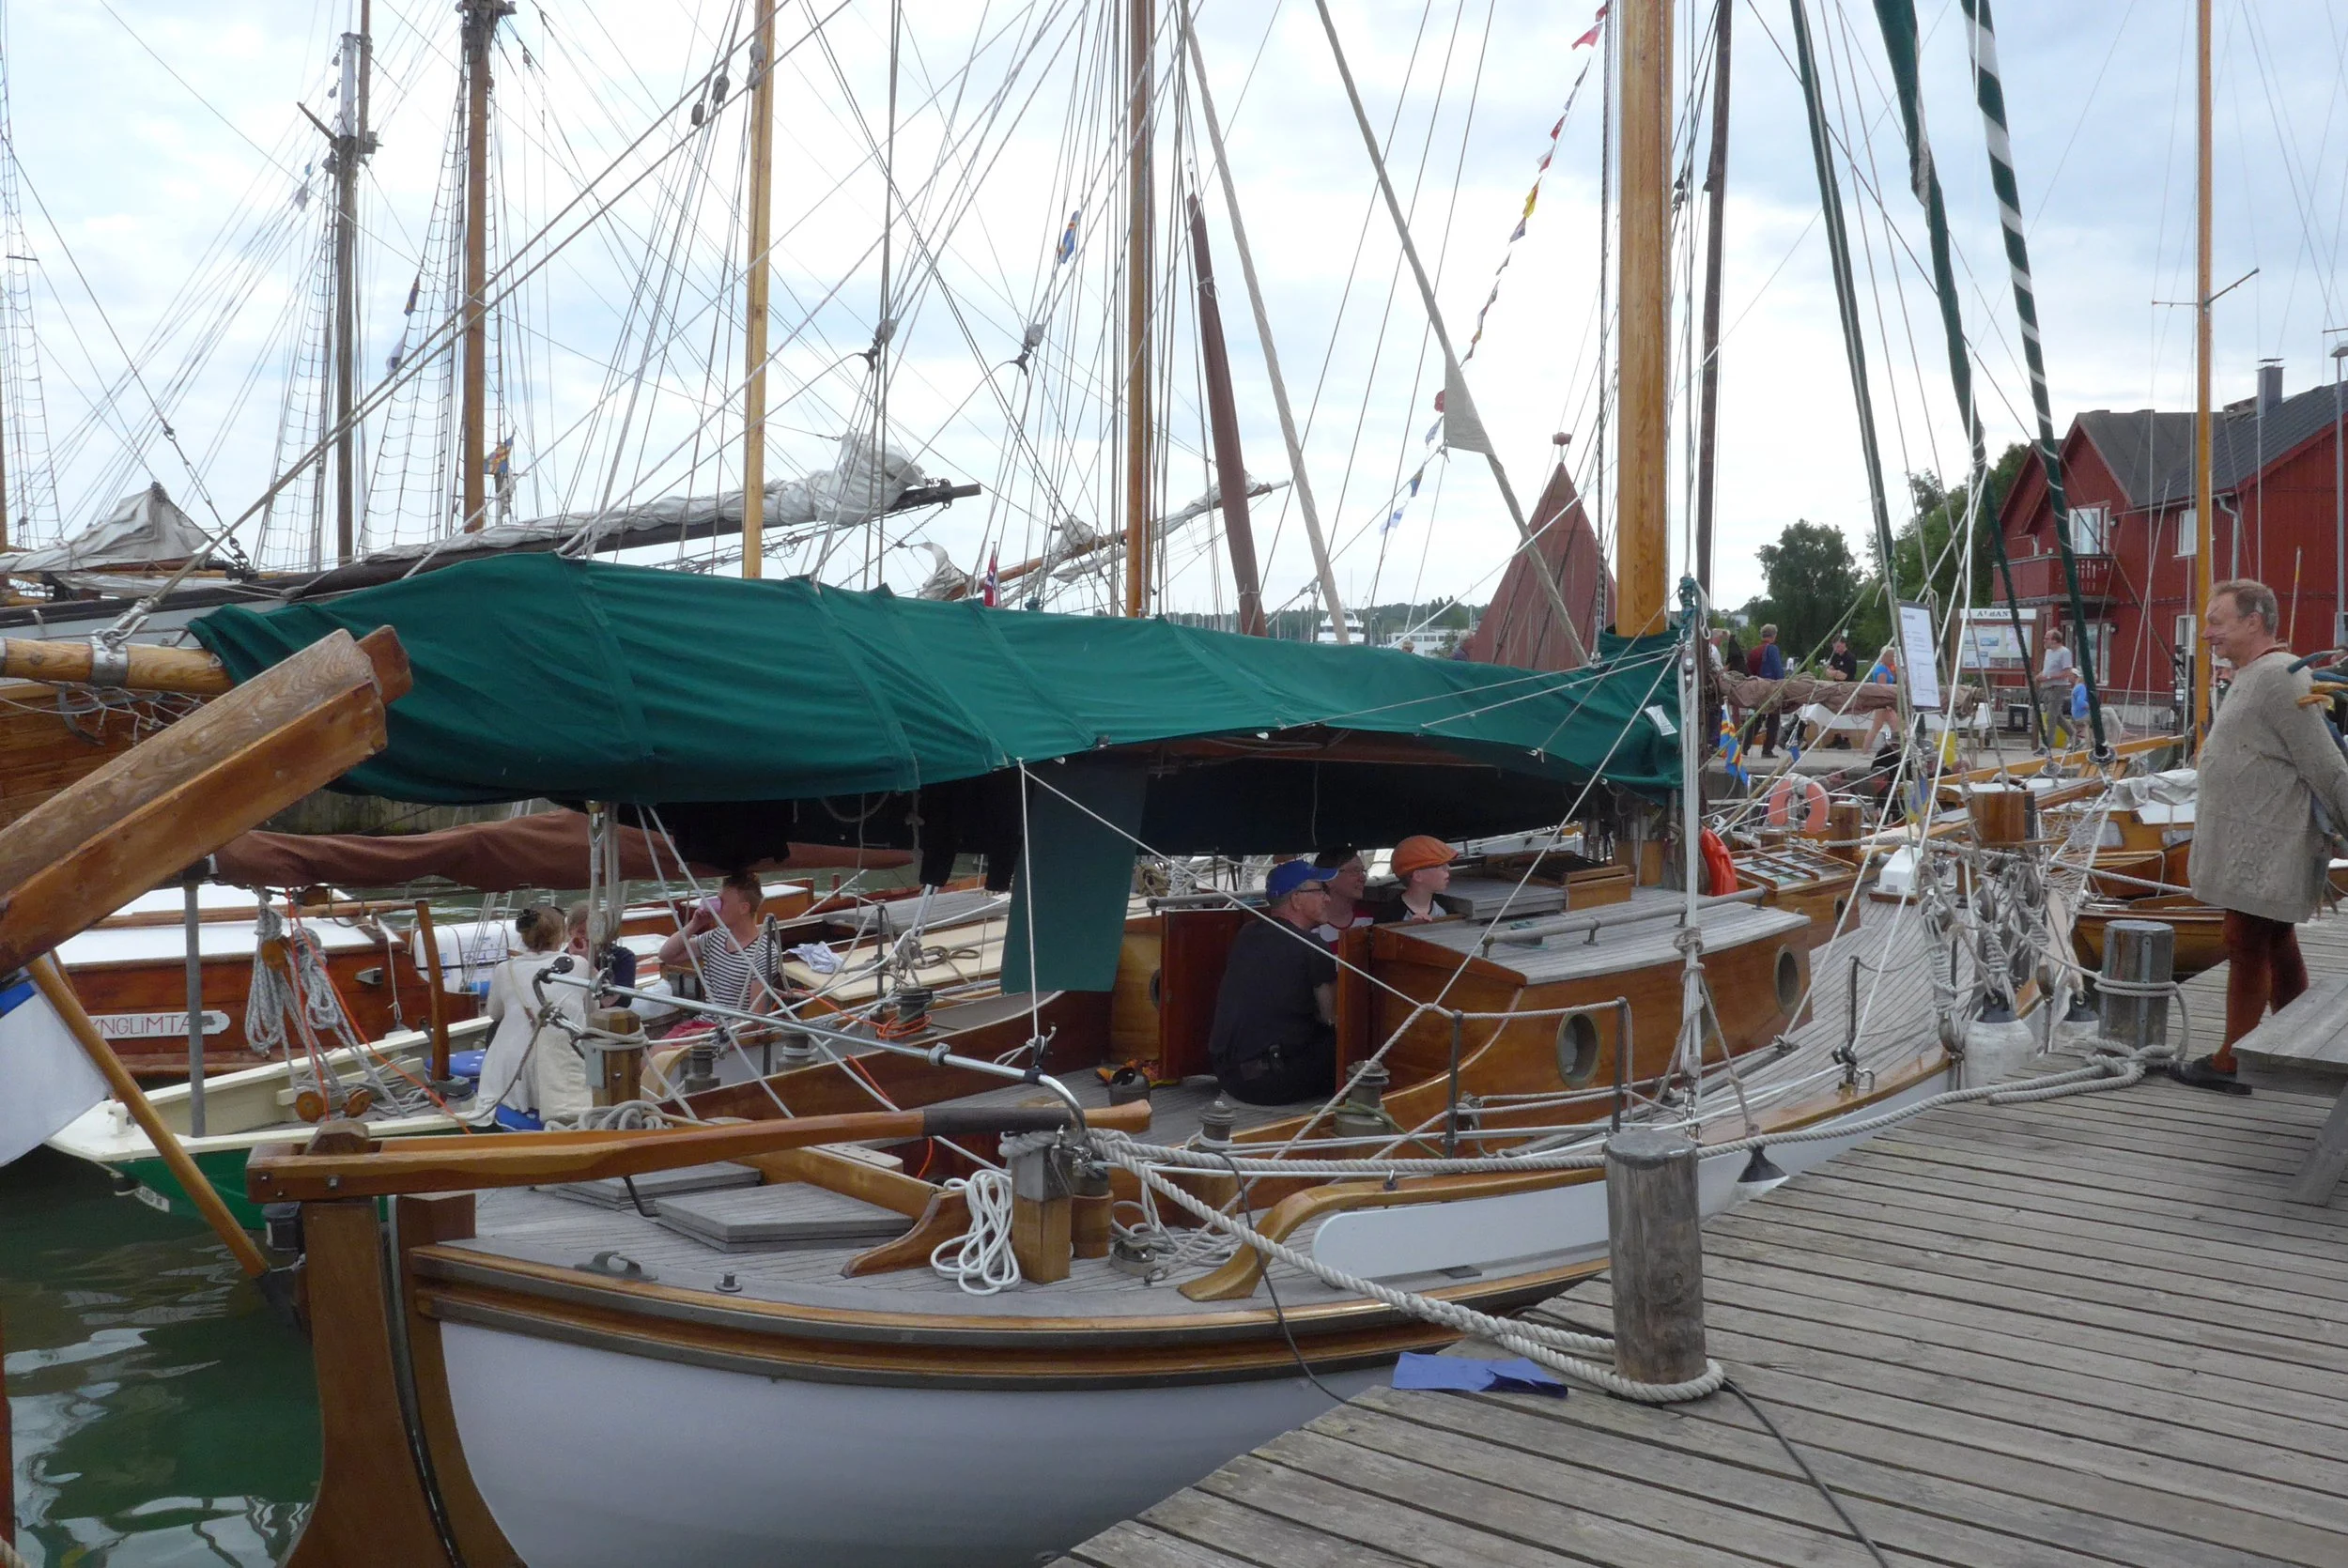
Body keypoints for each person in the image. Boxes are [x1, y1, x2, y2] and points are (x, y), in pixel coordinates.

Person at [2181, 579, 2348, 1089]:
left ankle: (2232, 1062)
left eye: (2217, 622)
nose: (2206, 633)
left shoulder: (2280, 677)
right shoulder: (2256, 674)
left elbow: (2325, 764)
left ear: (2253, 622)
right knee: (2274, 938)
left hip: (2269, 845)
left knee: (2246, 940)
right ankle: (2296, 1046)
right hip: (2255, 843)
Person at [1208, 860, 1339, 1104]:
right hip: (1271, 1082)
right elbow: (1331, 1016)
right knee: (1357, 1041)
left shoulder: (1247, 934)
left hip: (1230, 1076)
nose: (1327, 898)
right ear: (1296, 900)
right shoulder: (1313, 947)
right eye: (1320, 890)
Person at [476, 903, 591, 1126]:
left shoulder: (505, 969)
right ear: (560, 935)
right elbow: (591, 1008)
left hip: (511, 1073)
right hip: (558, 1071)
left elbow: (494, 1013)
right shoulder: (577, 965)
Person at [659, 870, 780, 1014]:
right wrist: (695, 924)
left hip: (732, 1027)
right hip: (704, 1022)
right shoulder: (715, 937)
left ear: (743, 908)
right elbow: (666, 955)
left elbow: (755, 1016)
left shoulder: (763, 954)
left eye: (722, 902)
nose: (716, 907)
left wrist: (719, 1028)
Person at [1309, 848, 1384, 942]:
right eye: (1355, 871)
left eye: (1362, 871)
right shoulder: (1311, 929)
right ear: (1329, 879)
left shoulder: (1370, 920)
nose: (1363, 878)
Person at [566, 902, 641, 992]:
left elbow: (618, 998)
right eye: (581, 932)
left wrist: (587, 964)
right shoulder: (562, 959)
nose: (588, 937)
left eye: (593, 931)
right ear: (570, 932)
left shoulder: (624, 957)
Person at [1389, 835, 1457, 922]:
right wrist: (1409, 927)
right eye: (1441, 866)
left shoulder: (1445, 905)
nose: (1448, 868)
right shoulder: (1391, 914)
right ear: (1418, 876)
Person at [1747, 624, 1785, 756]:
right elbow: (1777, 669)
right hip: (1770, 687)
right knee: (1773, 719)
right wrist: (1783, 684)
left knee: (1757, 718)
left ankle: (1744, 746)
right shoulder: (1772, 649)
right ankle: (1767, 749)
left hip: (1756, 687)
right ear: (1774, 636)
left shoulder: (1754, 651)